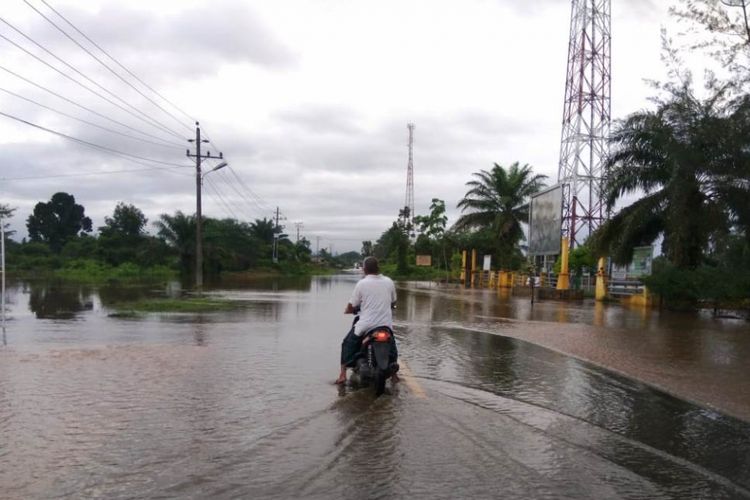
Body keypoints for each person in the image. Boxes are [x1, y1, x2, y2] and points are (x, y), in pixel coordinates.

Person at [335, 256, 398, 384]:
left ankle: (342, 374)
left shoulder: (362, 283)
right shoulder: (389, 281)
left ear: (364, 269)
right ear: (378, 268)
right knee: (392, 344)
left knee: (347, 343)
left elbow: (352, 305)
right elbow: (393, 301)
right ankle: (394, 376)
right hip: (385, 325)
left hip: (366, 325)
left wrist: (348, 310)